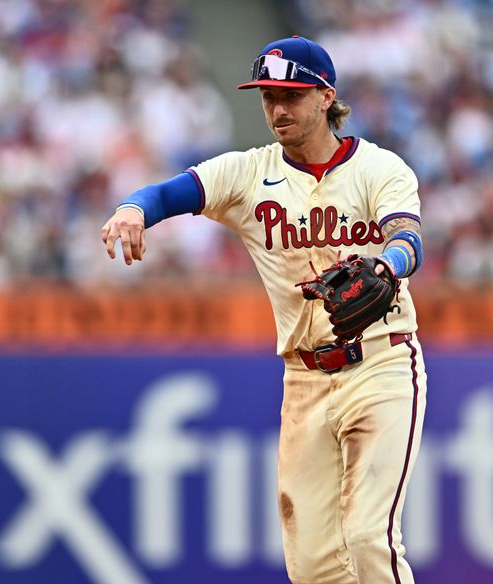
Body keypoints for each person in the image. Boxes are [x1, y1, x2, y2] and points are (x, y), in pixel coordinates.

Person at [101, 36, 426, 584]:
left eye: (291, 95)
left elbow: (409, 238)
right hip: (304, 378)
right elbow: (167, 193)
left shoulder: (378, 168)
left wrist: (388, 267)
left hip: (381, 364)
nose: (277, 108)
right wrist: (133, 208)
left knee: (370, 538)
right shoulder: (248, 174)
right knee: (313, 568)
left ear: (326, 97)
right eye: (268, 96)